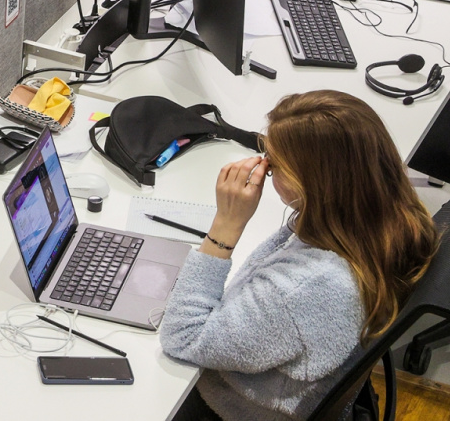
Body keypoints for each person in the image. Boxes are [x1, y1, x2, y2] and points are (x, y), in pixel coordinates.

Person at [159, 90, 438, 421]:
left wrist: (226, 225)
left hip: (226, 410)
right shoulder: (388, 216)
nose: (264, 169)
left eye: (275, 165)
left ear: (314, 184)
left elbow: (183, 337)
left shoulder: (302, 288)